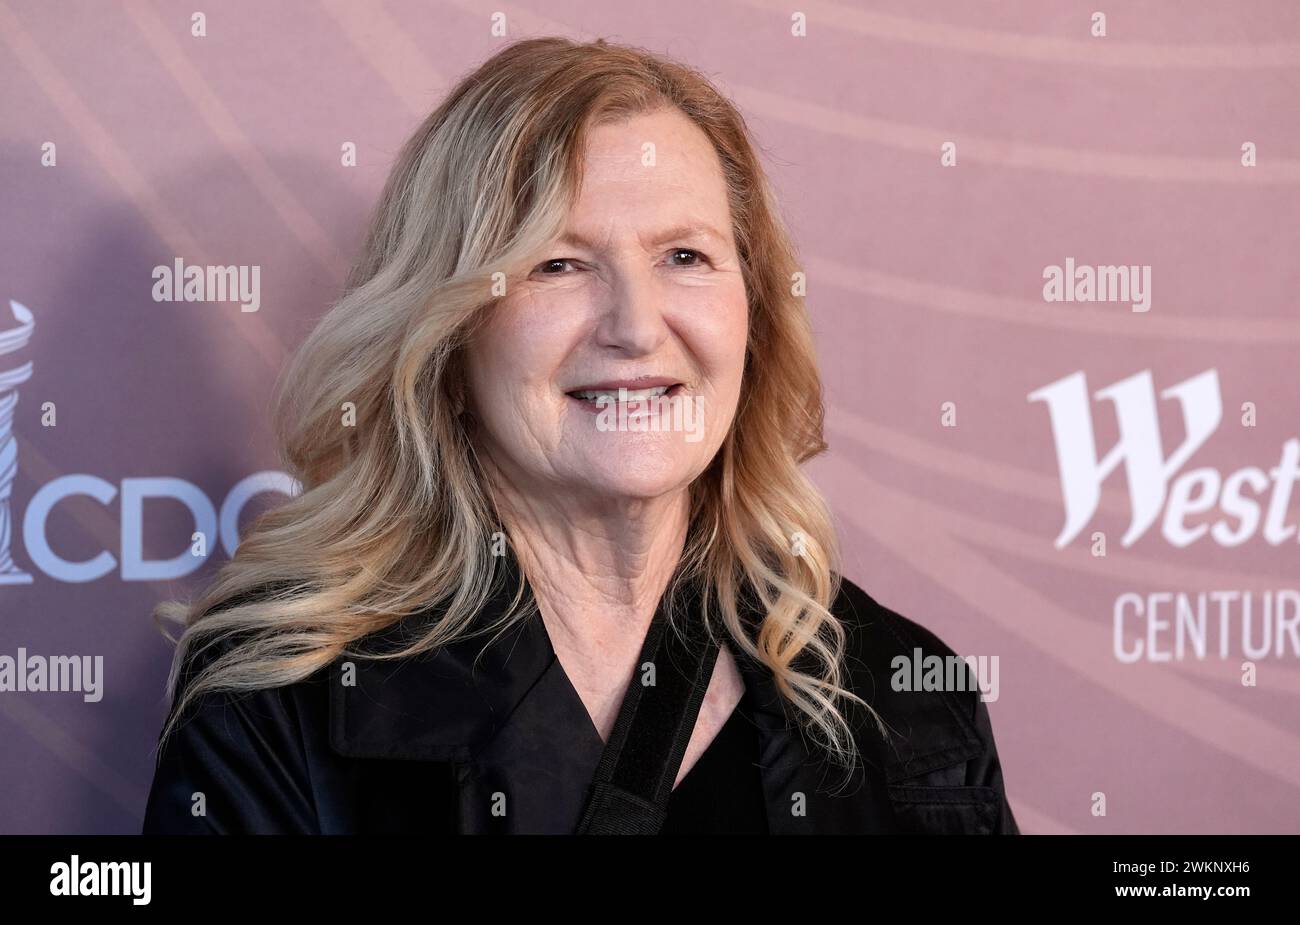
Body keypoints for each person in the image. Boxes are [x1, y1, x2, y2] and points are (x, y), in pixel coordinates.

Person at [142, 36, 1018, 835]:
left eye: (685, 256)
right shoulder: (282, 702)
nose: (637, 325)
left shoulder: (903, 693)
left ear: (752, 314)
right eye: (556, 263)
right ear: (446, 333)